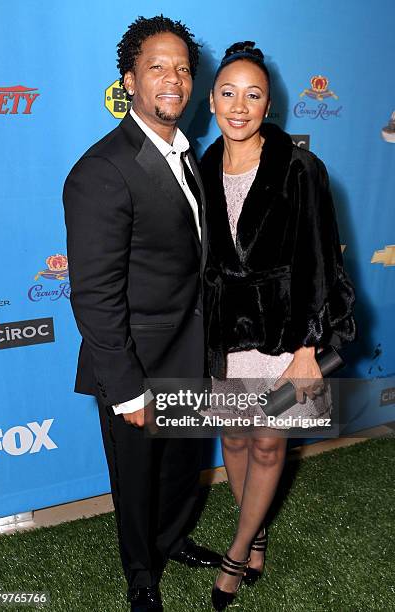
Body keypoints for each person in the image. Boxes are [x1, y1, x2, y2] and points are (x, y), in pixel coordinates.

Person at [63, 16, 221, 612]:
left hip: (190, 351)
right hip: (135, 364)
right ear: (129, 81)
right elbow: (94, 294)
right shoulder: (102, 170)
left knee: (183, 466)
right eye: (157, 66)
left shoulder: (188, 155)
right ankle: (141, 572)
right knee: (136, 479)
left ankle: (173, 537)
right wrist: (127, 391)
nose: (173, 78)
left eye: (182, 67)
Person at [200, 42, 356, 610]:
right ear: (212, 98)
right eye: (228, 92)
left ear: (270, 104)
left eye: (254, 94)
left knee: (269, 445)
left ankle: (237, 552)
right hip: (226, 340)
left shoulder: (300, 167)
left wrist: (310, 347)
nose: (239, 106)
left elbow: (322, 260)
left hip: (285, 341)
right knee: (236, 440)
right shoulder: (200, 167)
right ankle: (257, 528)